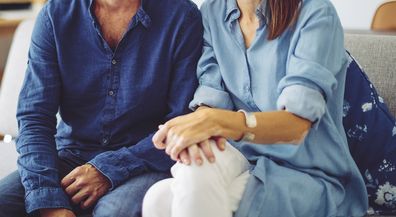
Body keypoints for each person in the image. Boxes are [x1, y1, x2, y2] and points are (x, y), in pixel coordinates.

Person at [142, 0, 368, 216]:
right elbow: (211, 96)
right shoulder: (213, 12)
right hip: (243, 158)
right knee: (161, 194)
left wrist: (214, 122)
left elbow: (296, 126)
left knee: (163, 200)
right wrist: (198, 133)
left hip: (305, 171)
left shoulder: (316, 12)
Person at [0, 0, 202, 216]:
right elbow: (35, 118)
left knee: (115, 212)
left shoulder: (182, 16)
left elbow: (183, 123)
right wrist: (48, 199)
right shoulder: (55, 15)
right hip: (70, 154)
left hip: (143, 159)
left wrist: (109, 169)